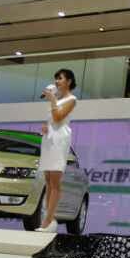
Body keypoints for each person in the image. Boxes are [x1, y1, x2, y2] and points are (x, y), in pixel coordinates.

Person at [36, 69, 78, 233]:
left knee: (55, 180)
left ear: (69, 81)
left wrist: (53, 99)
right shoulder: (57, 99)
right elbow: (52, 119)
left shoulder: (71, 99)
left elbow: (59, 117)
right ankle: (48, 218)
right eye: (56, 79)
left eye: (60, 78)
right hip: (49, 139)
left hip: (60, 139)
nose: (57, 81)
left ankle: (49, 220)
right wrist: (45, 126)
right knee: (48, 179)